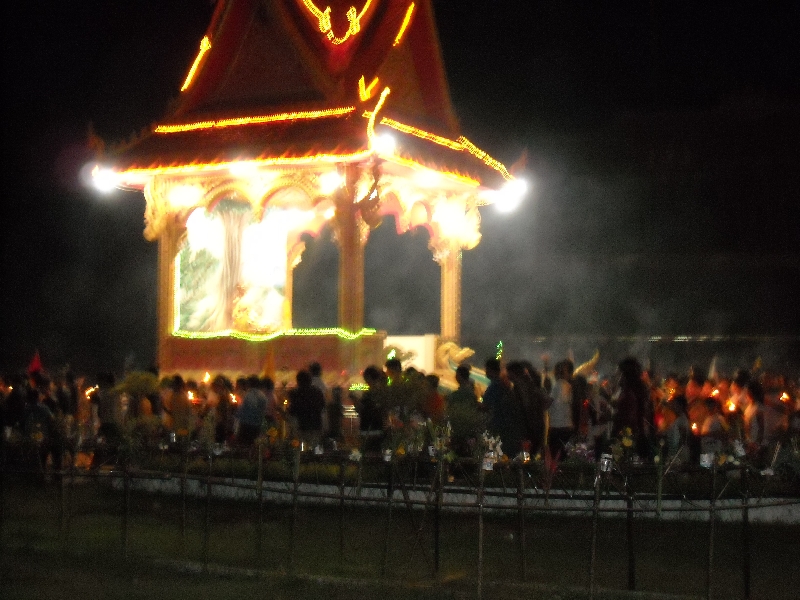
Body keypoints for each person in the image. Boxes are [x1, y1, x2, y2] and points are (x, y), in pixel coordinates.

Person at [611, 357, 651, 460]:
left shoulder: (629, 394)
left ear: (625, 374)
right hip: (636, 436)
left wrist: (613, 416)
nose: (616, 375)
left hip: (627, 438)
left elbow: (628, 418)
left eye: (618, 372)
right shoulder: (636, 391)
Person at [288, 370, 326, 448]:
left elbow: (292, 411)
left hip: (302, 426)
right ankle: (317, 459)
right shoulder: (317, 392)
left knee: (302, 450)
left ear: (298, 381)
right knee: (316, 449)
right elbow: (323, 407)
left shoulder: (296, 393)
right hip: (316, 425)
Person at [546, 359, 575, 459]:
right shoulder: (569, 386)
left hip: (557, 428)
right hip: (567, 426)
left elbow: (547, 403)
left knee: (556, 459)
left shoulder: (558, 385)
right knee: (566, 457)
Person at [236, 375, 267, 446]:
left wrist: (237, 414)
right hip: (258, 424)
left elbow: (247, 409)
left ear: (249, 384)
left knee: (245, 445)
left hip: (247, 425)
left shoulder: (249, 395)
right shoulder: (262, 395)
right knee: (254, 445)